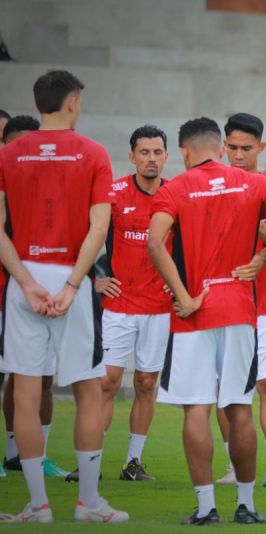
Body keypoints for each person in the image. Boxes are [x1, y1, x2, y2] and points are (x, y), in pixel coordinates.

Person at [148, 117, 266, 525]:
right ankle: (246, 505)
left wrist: (184, 296)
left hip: (196, 310)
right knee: (239, 407)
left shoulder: (175, 187)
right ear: (221, 148)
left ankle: (206, 508)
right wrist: (263, 256)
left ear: (183, 151)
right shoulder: (252, 183)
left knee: (196, 409)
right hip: (240, 306)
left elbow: (154, 243)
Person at [0, 69, 128, 523]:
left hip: (24, 277)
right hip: (71, 272)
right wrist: (73, 285)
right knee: (88, 390)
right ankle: (87, 502)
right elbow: (99, 228)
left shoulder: (8, 153)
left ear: (39, 103)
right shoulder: (93, 153)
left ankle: (38, 505)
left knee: (25, 393)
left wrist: (26, 282)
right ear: (72, 102)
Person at [214, 113, 266, 488]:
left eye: (246, 148)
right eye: (232, 147)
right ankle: (235, 466)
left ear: (260, 148)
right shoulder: (213, 187)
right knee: (228, 391)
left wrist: (256, 222)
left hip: (263, 304)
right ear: (222, 147)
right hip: (223, 304)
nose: (238, 155)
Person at [91, 125, 171, 482]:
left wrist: (179, 284)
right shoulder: (114, 193)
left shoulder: (175, 194)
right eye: (144, 152)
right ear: (132, 156)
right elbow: (87, 234)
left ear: (166, 156)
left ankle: (132, 463)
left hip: (159, 308)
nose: (151, 159)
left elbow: (191, 245)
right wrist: (94, 279)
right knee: (107, 381)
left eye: (157, 152)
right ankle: (90, 460)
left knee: (146, 383)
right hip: (119, 305)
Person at [0, 113, 68, 480]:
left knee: (41, 378)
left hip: (39, 294)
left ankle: (26, 456)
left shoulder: (49, 191)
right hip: (10, 292)